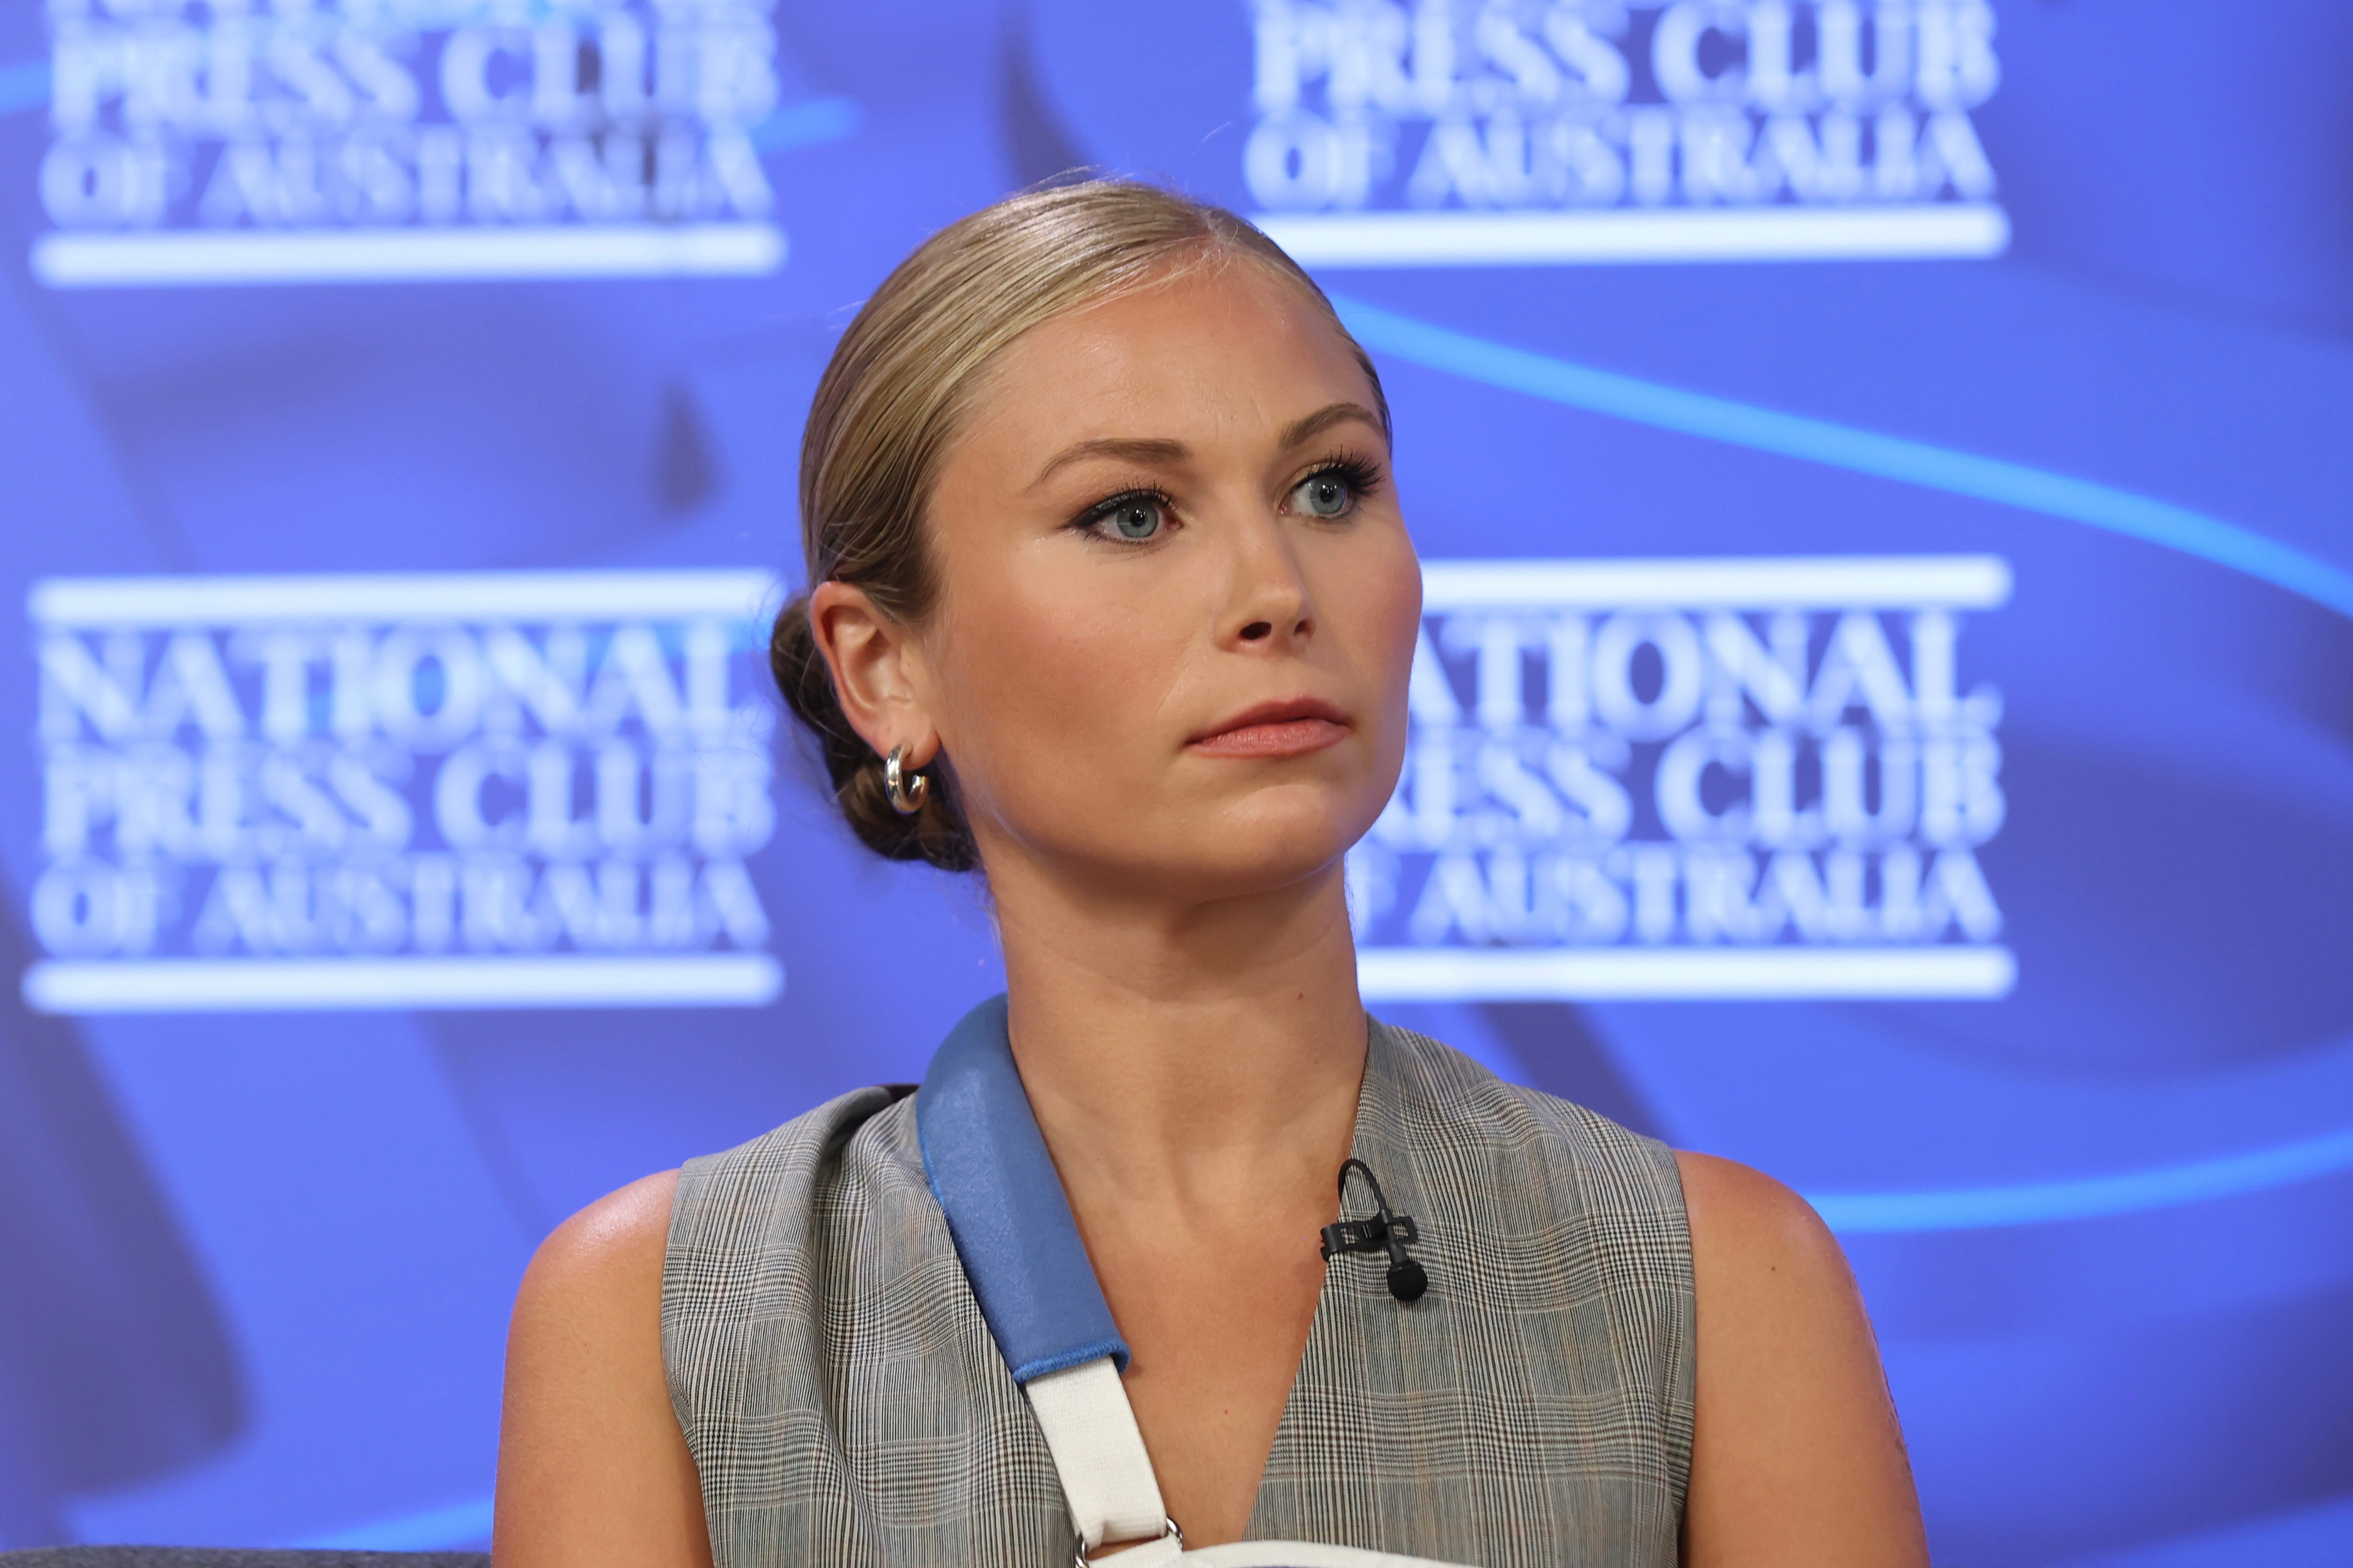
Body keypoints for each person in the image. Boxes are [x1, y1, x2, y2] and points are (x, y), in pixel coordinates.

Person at [492, 180, 1929, 1568]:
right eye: (1130, 512)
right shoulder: (664, 1314)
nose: (1274, 592)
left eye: (1327, 485)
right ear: (882, 665)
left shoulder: (1711, 1288)